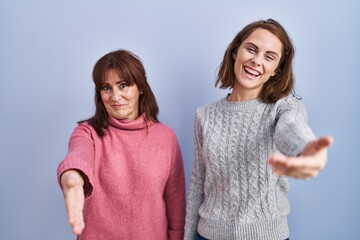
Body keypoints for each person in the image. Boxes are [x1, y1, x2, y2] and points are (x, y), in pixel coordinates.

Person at [184, 19, 334, 240]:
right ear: (236, 52)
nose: (256, 60)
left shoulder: (284, 107)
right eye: (251, 49)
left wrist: (305, 150)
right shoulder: (204, 115)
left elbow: (291, 128)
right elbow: (198, 182)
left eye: (269, 57)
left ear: (276, 70)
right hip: (207, 235)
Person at [57, 49, 186, 240]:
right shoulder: (87, 133)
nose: (115, 96)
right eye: (106, 88)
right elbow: (78, 155)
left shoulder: (166, 137)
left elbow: (175, 201)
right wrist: (72, 177)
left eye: (123, 85)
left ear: (140, 87)